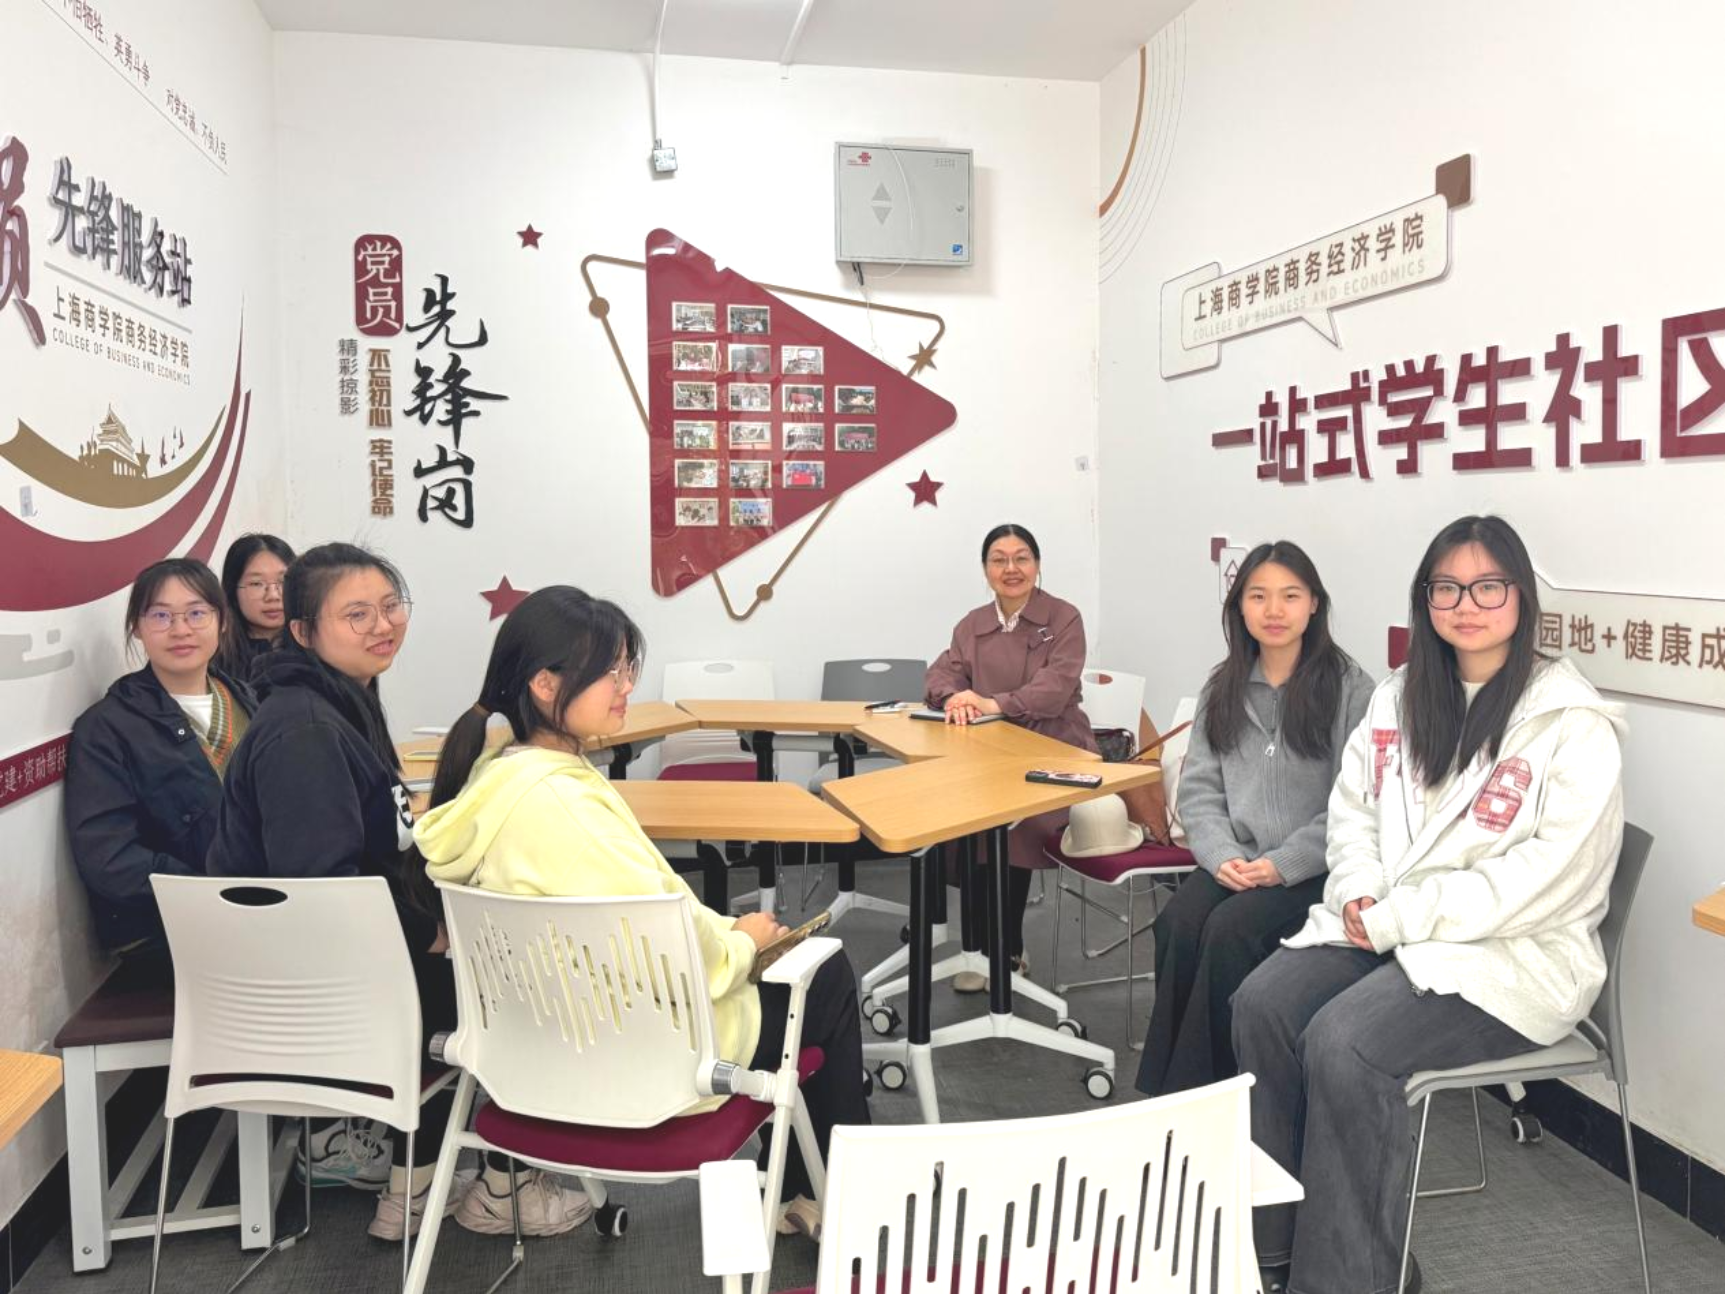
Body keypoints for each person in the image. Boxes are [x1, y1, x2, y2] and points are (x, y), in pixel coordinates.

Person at [1232, 516, 1626, 1295]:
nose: (1465, 604)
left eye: (1486, 586)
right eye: (1445, 587)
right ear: (1424, 599)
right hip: (1387, 922)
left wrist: (1398, 916)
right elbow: (1353, 814)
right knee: (1262, 1003)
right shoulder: (1398, 697)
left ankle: (1352, 1279)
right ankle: (1272, 1252)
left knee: (1347, 1043)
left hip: (1509, 954)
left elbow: (1544, 877)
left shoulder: (1569, 722)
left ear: (1520, 595)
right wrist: (1357, 891)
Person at [414, 585, 869, 1241]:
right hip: (636, 1057)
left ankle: (809, 1187)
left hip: (540, 1047)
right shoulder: (562, 808)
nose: (626, 685)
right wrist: (741, 943)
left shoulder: (496, 781)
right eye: (610, 670)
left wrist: (729, 933)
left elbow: (637, 913)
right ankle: (837, 1192)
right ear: (545, 684)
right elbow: (667, 955)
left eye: (627, 666)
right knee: (823, 974)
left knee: (780, 960)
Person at [204, 543, 538, 1241]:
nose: (382, 625)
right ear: (303, 631)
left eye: (390, 606)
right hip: (309, 981)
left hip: (333, 953)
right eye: (356, 614)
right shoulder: (304, 729)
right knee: (512, 980)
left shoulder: (339, 700)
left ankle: (416, 1186)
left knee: (491, 953)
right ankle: (498, 1188)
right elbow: (323, 891)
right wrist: (432, 934)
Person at [1135, 541, 1373, 1096]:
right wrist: (1221, 856)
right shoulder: (1223, 686)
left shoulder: (1350, 689)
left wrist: (1282, 864)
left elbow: (1356, 801)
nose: (1274, 610)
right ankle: (1176, 1093)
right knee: (1178, 922)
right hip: (1237, 861)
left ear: (1314, 604)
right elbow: (1198, 790)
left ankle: (1218, 1095)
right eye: (1258, 596)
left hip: (1314, 869)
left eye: (1290, 596)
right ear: (1239, 606)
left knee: (1230, 932)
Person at [66, 558, 256, 993]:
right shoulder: (106, 727)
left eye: (196, 613)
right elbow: (110, 859)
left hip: (258, 904)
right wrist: (217, 891)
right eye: (161, 615)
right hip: (166, 928)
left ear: (222, 621)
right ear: (137, 626)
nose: (180, 629)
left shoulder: (246, 700)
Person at [925, 523, 1097, 990]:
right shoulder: (972, 624)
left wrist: (991, 704)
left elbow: (1054, 689)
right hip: (987, 750)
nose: (1011, 568)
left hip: (1055, 747)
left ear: (1037, 565)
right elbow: (941, 673)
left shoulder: (1063, 618)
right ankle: (977, 947)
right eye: (999, 559)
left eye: (1021, 558)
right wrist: (955, 698)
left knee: (1011, 824)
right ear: (985, 569)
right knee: (961, 817)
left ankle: (1006, 948)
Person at [214, 533, 295, 681]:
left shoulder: (317, 650)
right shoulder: (213, 658)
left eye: (283, 581)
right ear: (232, 590)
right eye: (257, 583)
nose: (273, 596)